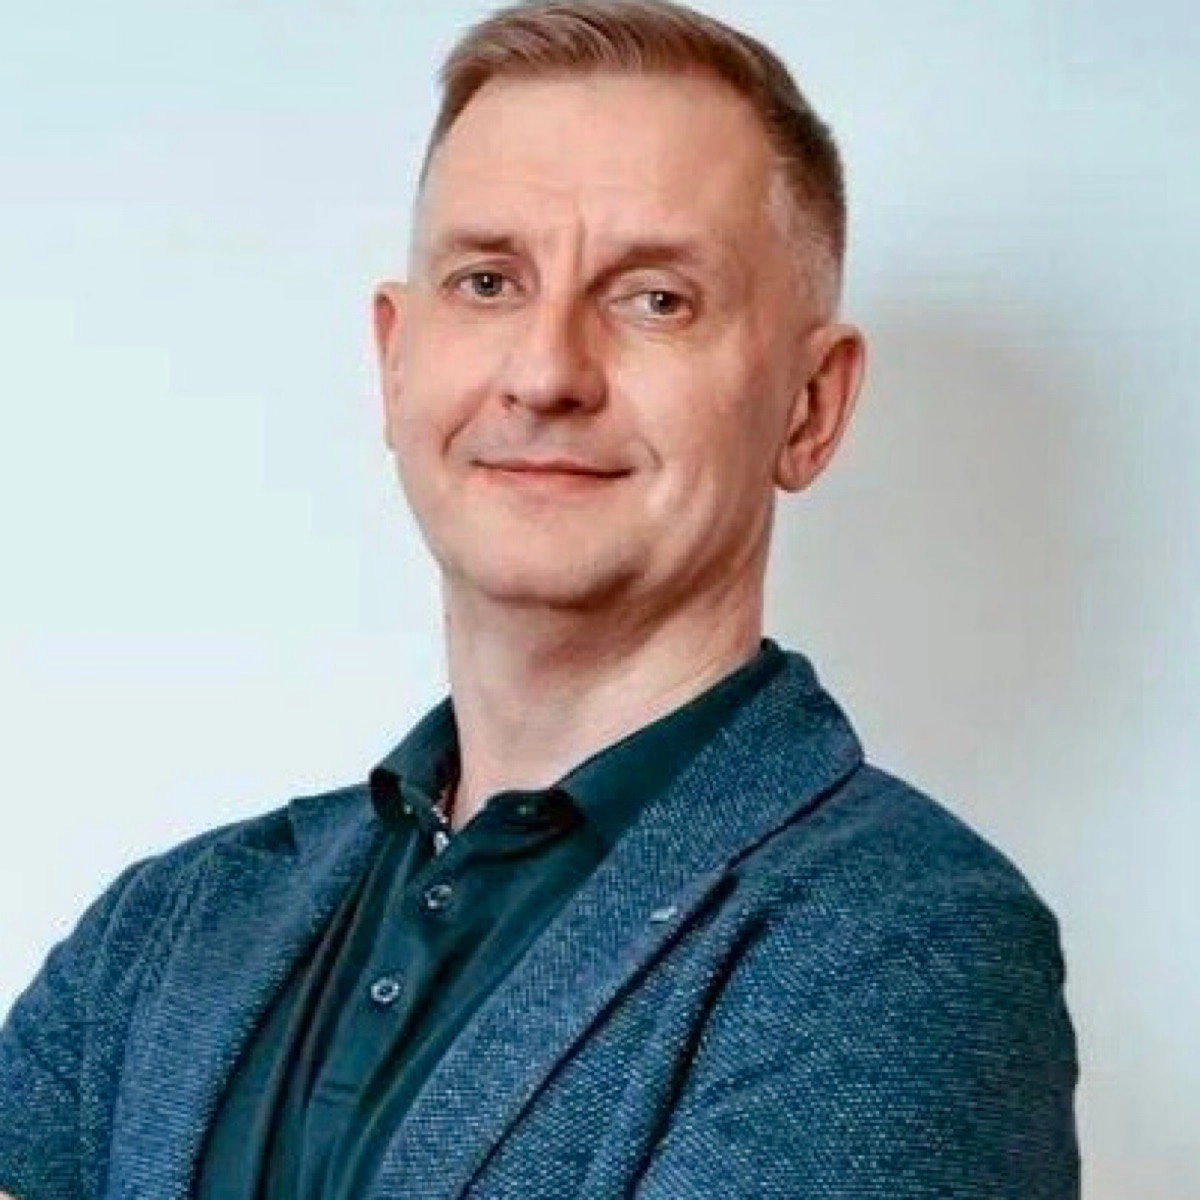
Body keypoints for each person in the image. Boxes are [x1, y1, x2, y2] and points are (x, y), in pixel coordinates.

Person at [0, 1, 1080, 1197]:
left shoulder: (903, 947)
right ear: (395, 359)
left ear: (811, 406)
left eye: (655, 298)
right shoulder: (168, 926)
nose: (548, 371)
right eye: (488, 282)